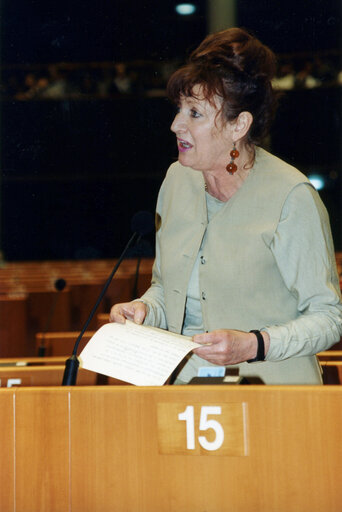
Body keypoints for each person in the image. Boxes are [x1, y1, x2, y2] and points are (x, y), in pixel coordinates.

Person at [110, 27, 342, 385]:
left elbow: (329, 317)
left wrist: (254, 344)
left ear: (240, 125)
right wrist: (144, 309)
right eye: (179, 110)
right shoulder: (176, 182)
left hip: (273, 397)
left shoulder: (291, 196)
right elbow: (165, 287)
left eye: (195, 114)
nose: (176, 125)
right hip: (185, 397)